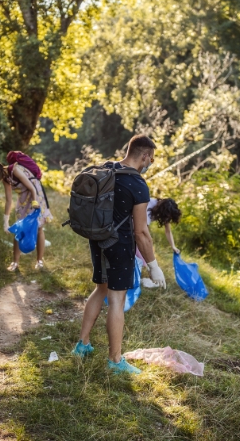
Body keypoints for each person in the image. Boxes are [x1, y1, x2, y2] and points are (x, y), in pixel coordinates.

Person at [71, 135, 167, 375]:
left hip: (98, 239)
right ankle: (115, 361)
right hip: (120, 246)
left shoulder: (106, 168)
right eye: (151, 158)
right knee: (116, 300)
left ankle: (82, 345)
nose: (150, 162)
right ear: (144, 156)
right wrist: (153, 265)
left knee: (100, 289)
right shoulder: (138, 184)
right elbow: (141, 232)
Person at [0, 157, 52, 271]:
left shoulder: (14, 170)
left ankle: (39, 261)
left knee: (38, 227)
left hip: (35, 194)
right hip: (24, 198)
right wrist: (6, 222)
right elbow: (8, 201)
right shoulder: (5, 178)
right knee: (19, 228)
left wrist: (35, 202)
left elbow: (32, 188)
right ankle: (15, 263)